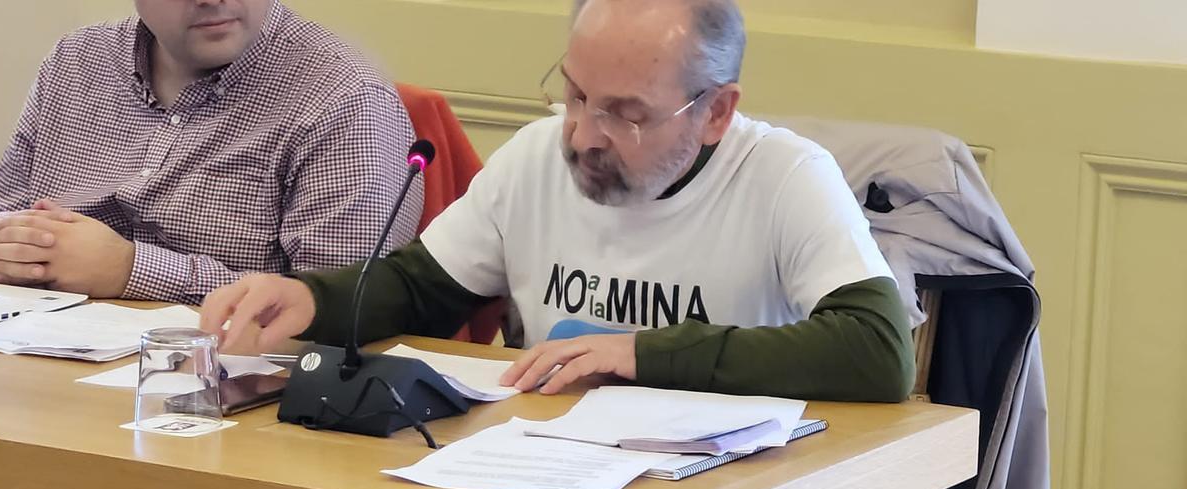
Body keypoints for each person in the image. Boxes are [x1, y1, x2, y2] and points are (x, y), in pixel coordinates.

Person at [200, 0, 915, 403]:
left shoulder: (786, 177)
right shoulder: (539, 155)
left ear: (718, 112)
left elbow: (879, 352)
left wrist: (643, 353)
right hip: (548, 474)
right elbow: (421, 288)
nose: (582, 135)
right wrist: (311, 301)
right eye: (574, 94)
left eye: (625, 113)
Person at [0, 0, 422, 305]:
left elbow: (342, 306)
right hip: (42, 359)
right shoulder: (78, 59)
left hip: (237, 391)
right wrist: (5, 247)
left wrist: (129, 269)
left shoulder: (343, 97)